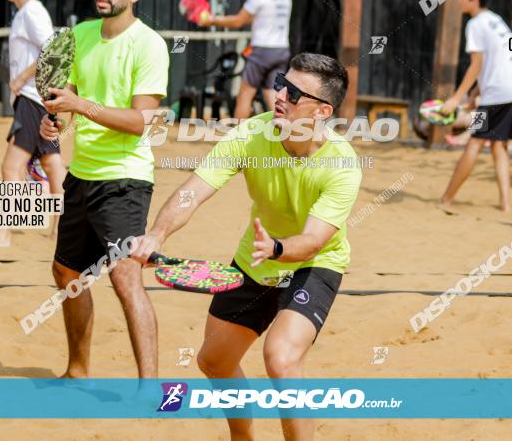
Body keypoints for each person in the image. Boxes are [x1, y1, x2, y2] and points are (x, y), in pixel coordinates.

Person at [130, 53, 362, 441]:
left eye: (293, 92)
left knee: (282, 359)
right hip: (256, 258)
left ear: (323, 110)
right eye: (280, 85)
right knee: (214, 360)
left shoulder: (342, 164)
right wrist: (157, 234)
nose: (280, 96)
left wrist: (275, 247)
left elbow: (311, 242)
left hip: (313, 264)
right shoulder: (250, 134)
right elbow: (194, 191)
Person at [39, 0, 170, 378]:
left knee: (125, 278)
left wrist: (79, 103)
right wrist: (55, 120)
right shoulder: (81, 36)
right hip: (82, 174)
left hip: (125, 180)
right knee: (66, 272)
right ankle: (77, 371)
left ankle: (150, 386)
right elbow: (68, 101)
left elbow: (140, 123)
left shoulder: (149, 44)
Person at [0, 0, 65, 247]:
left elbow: (52, 49)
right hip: (38, 101)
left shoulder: (31, 12)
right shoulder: (29, 12)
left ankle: (3, 233)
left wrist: (21, 79)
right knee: (53, 167)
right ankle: (60, 231)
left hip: (32, 100)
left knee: (11, 168)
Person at [437, 0, 512, 212]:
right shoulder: (496, 20)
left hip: (499, 94)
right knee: (498, 146)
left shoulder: (476, 24)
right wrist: (473, 95)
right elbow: (493, 64)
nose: (459, 0)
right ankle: (505, 203)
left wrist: (456, 99)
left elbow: (476, 65)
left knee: (475, 142)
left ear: (474, 0)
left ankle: (447, 198)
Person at [200, 0, 292, 120]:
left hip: (262, 51)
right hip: (281, 50)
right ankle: (283, 134)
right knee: (272, 93)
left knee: (244, 95)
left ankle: (239, 138)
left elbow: (238, 21)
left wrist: (212, 20)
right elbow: (257, 18)